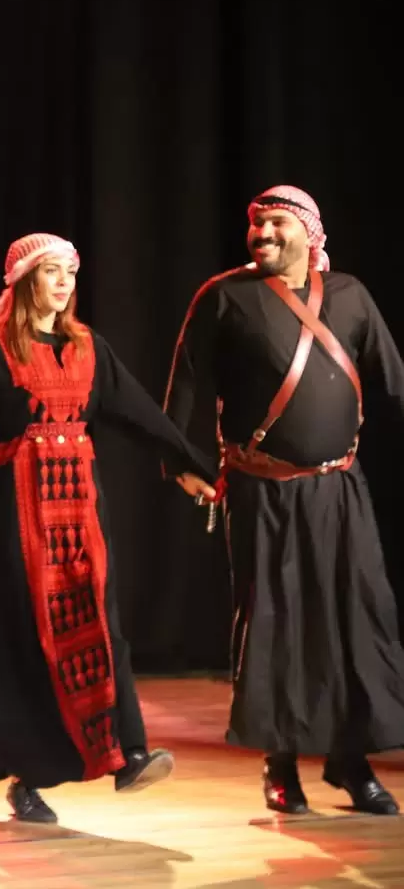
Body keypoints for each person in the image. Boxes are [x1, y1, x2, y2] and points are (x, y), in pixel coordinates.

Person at [0, 233, 216, 823]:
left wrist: (189, 465)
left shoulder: (89, 347)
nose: (65, 281)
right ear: (24, 283)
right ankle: (29, 778)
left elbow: (141, 414)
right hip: (17, 518)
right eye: (51, 271)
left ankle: (128, 754)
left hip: (81, 513)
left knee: (101, 624)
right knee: (28, 640)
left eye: (70, 270)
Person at [163, 185, 404, 815]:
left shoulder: (349, 296)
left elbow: (393, 381)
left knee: (355, 622)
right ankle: (281, 764)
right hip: (262, 493)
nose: (263, 233)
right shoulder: (225, 297)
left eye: (277, 222)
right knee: (277, 623)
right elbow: (186, 382)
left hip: (339, 489)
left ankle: (351, 762)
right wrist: (177, 462)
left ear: (308, 231)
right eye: (256, 223)